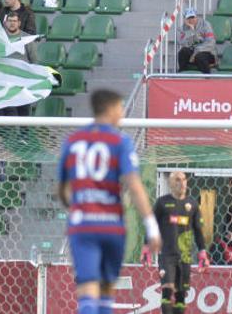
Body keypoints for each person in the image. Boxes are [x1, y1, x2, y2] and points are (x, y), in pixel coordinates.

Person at [57, 89, 161, 314]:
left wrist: (79, 208)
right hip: (111, 225)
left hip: (83, 225)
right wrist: (151, 227)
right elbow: (134, 185)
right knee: (105, 291)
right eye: (121, 108)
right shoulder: (120, 141)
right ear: (112, 108)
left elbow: (63, 189)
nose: (122, 113)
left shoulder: (73, 141)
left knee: (87, 289)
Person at [144, 171, 208, 314]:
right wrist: (146, 246)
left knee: (180, 296)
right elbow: (151, 224)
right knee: (167, 289)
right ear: (171, 184)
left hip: (185, 256)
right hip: (166, 255)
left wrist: (202, 252)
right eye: (178, 180)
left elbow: (198, 230)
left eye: (184, 179)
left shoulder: (192, 204)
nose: (182, 183)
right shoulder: (162, 203)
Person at [177, 8, 216, 73]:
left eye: (193, 17)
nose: (191, 20)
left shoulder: (206, 25)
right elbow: (183, 43)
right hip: (193, 53)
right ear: (185, 19)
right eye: (189, 18)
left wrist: (196, 51)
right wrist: (191, 30)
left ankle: (207, 77)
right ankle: (182, 74)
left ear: (196, 16)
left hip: (207, 52)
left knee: (200, 56)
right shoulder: (184, 28)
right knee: (182, 52)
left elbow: (211, 42)